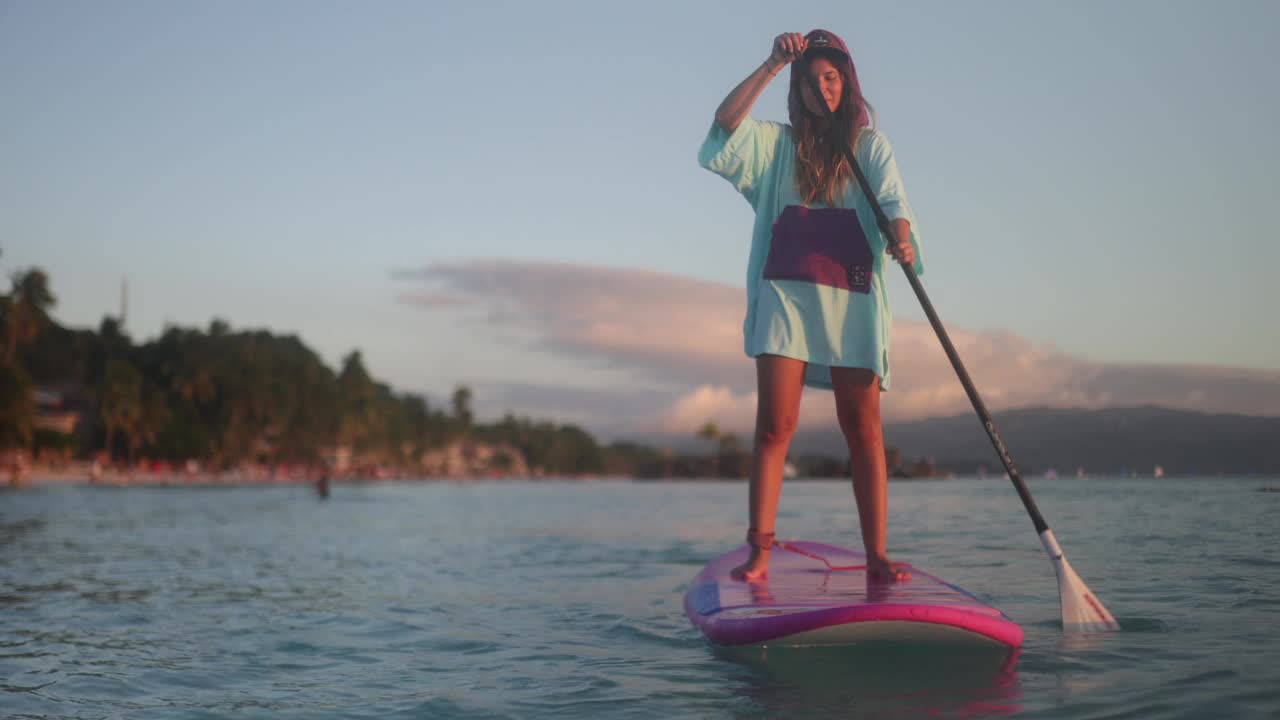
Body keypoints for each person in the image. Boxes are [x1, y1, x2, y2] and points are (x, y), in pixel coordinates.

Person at [698, 29, 922, 582]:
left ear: (845, 84)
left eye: (831, 78)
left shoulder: (869, 146)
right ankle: (760, 553)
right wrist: (775, 62)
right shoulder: (776, 145)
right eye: (809, 81)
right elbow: (725, 125)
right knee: (775, 425)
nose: (821, 88)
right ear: (795, 92)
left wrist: (902, 236)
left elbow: (893, 201)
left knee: (863, 428)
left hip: (853, 296)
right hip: (785, 297)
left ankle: (876, 557)